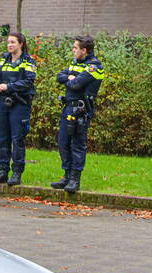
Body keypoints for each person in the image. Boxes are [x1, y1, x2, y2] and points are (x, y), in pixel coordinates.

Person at [51, 35, 105, 193]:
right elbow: (59, 77)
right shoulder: (75, 64)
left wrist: (71, 80)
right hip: (68, 108)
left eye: (75, 48)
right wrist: (69, 76)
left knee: (77, 144)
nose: (73, 50)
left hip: (81, 110)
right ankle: (66, 175)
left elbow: (76, 85)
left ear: (84, 50)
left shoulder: (95, 67)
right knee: (63, 143)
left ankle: (75, 179)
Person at [0, 32, 36, 186]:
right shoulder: (4, 59)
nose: (9, 45)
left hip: (19, 104)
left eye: (13, 42)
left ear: (21, 44)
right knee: (2, 138)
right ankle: (3, 171)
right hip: (2, 104)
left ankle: (16, 172)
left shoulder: (28, 61)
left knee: (17, 139)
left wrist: (8, 86)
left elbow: (28, 82)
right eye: (8, 42)